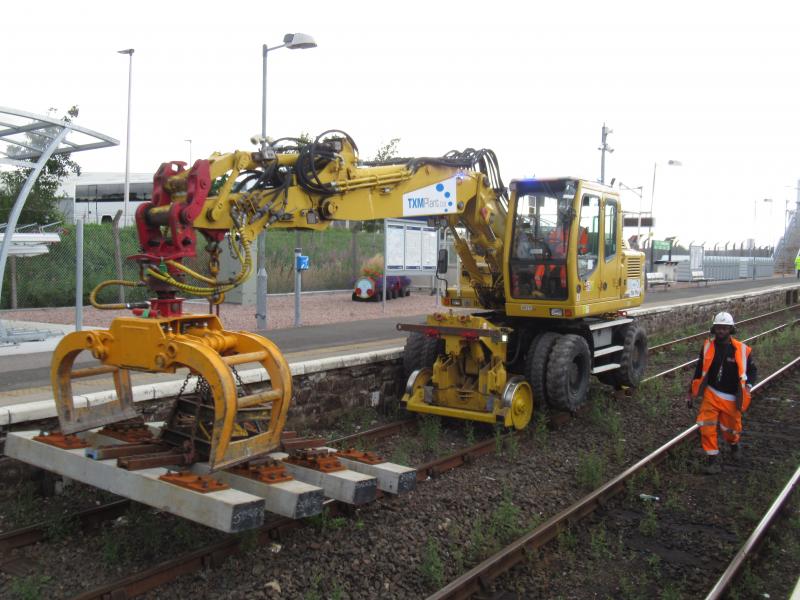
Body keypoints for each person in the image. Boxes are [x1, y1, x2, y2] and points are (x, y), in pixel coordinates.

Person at [687, 312, 757, 474]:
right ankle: (713, 459)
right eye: (718, 328)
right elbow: (699, 371)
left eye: (725, 328)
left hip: (731, 397)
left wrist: (748, 386)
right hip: (711, 393)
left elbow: (752, 370)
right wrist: (690, 391)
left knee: (731, 429)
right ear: (714, 329)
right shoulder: (707, 347)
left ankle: (734, 445)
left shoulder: (742, 350)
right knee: (706, 426)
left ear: (730, 330)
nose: (721, 331)